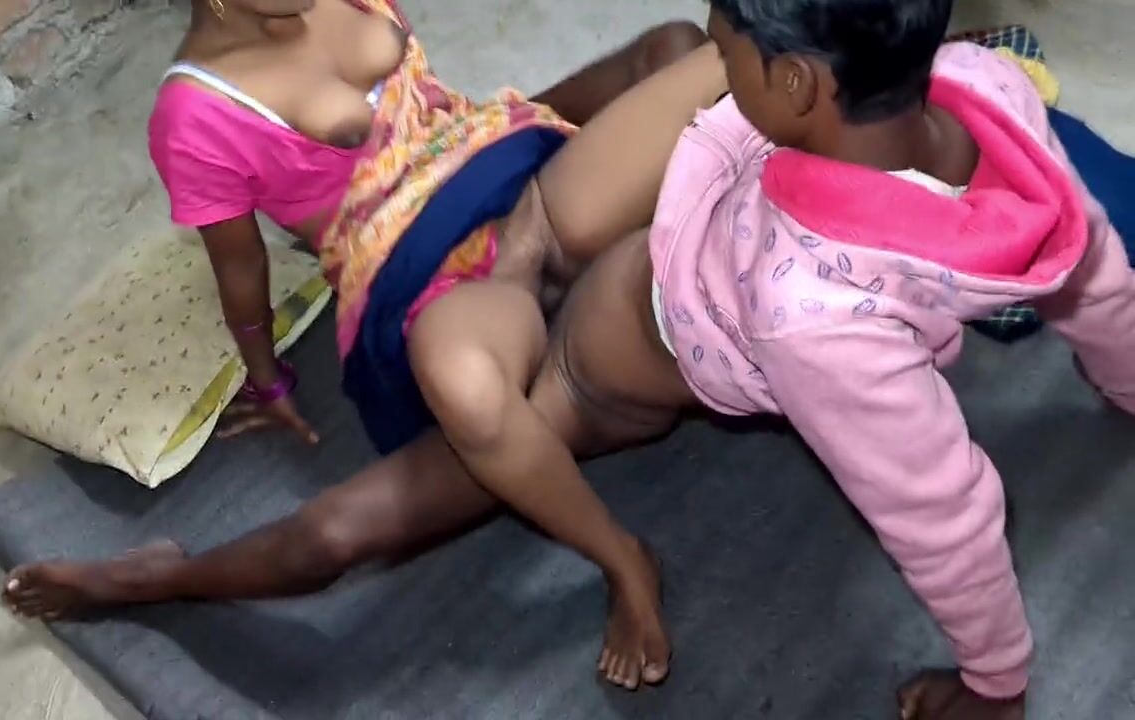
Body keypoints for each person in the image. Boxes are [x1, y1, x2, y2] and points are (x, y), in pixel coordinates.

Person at [3, 0, 730, 690]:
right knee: (347, 517)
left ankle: (552, 399)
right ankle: (156, 576)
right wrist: (268, 378)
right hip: (421, 272)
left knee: (685, 53)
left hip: (504, 164)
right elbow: (241, 266)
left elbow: (433, 119)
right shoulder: (195, 115)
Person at [442, 0, 1135, 716]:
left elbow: (941, 513)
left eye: (726, 55)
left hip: (608, 375)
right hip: (674, 250)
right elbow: (1092, 265)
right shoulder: (988, 84)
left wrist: (996, 683)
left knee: (465, 446)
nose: (718, 67)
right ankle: (491, 190)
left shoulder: (815, 321)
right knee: (638, 92)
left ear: (797, 83)